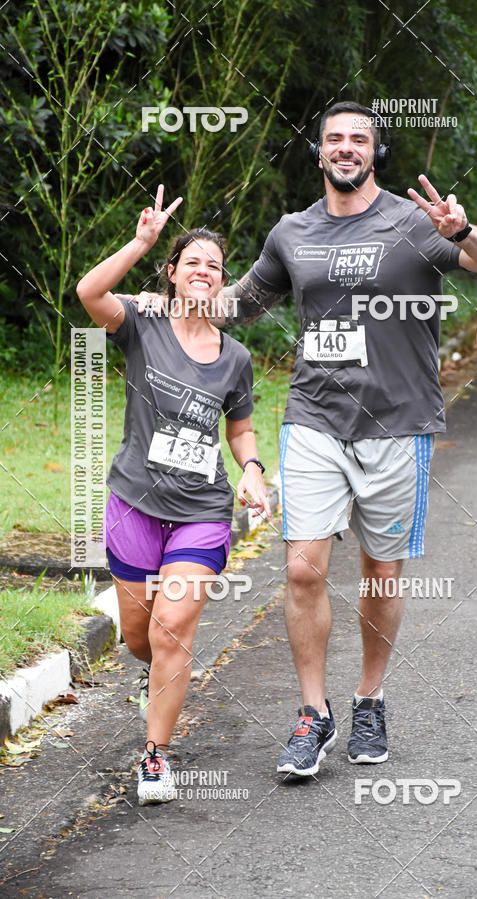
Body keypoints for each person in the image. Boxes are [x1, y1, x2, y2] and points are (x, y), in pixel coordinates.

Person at [131, 102, 477, 777]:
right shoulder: (293, 232)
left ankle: (369, 697)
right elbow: (238, 304)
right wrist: (160, 301)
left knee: (381, 571)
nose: (345, 148)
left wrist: (461, 230)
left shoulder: (414, 221)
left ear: (376, 152)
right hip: (314, 419)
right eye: (333, 139)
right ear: (318, 153)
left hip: (399, 424)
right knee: (303, 568)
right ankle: (314, 711)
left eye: (358, 139)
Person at [76, 186, 271, 804]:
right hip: (134, 502)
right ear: (172, 272)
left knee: (172, 629)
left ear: (222, 281)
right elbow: (88, 293)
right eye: (193, 262)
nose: (203, 271)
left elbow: (238, 429)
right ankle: (155, 677)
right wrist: (140, 242)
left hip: (201, 511)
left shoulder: (235, 357)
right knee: (140, 638)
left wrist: (253, 469)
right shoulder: (142, 325)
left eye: (214, 265)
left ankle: (155, 756)